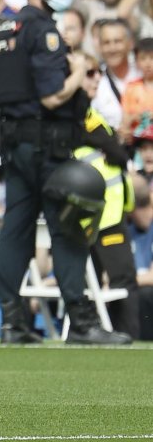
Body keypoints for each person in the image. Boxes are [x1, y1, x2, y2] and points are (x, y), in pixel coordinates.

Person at [0, 0, 131, 346]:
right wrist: (77, 76)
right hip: (47, 148)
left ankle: (12, 322)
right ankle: (81, 324)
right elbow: (52, 97)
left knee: (16, 232)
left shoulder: (3, 30)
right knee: (69, 231)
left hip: (14, 147)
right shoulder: (43, 30)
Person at [77, 56, 140, 339]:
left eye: (98, 72)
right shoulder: (82, 116)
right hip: (105, 216)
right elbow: (116, 153)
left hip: (103, 213)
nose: (96, 78)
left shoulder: (92, 114)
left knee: (103, 282)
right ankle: (128, 337)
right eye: (88, 73)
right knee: (122, 280)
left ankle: (109, 334)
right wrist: (114, 145)